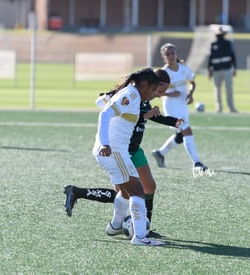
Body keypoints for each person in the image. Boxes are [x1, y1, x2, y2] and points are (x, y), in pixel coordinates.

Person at [64, 69, 182, 238]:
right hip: (119, 149)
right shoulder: (131, 95)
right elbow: (105, 107)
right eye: (158, 91)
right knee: (129, 191)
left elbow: (147, 116)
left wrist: (171, 120)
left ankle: (135, 227)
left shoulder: (142, 96)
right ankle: (136, 232)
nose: (159, 95)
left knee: (141, 188)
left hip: (133, 148)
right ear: (150, 85)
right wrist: (105, 140)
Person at [92, 67, 165, 246]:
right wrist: (105, 143)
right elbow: (105, 113)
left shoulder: (131, 95)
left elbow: (104, 105)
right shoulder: (131, 95)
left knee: (125, 191)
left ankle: (114, 226)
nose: (155, 95)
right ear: (145, 84)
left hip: (117, 151)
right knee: (137, 190)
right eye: (154, 90)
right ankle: (140, 237)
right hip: (114, 150)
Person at [152, 43, 208, 171]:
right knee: (186, 130)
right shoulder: (163, 73)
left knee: (180, 136)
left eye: (172, 53)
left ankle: (160, 153)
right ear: (163, 57)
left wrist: (191, 95)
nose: (171, 56)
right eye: (168, 54)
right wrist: (169, 93)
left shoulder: (184, 68)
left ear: (176, 54)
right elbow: (156, 92)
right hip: (171, 106)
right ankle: (197, 163)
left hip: (183, 104)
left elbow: (192, 83)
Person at [208, 26, 238, 113]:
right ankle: (218, 108)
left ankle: (231, 107)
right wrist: (209, 70)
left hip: (227, 69)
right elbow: (210, 58)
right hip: (216, 70)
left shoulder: (228, 43)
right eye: (218, 35)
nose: (219, 36)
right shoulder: (213, 45)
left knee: (229, 88)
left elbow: (233, 56)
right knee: (217, 89)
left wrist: (235, 68)